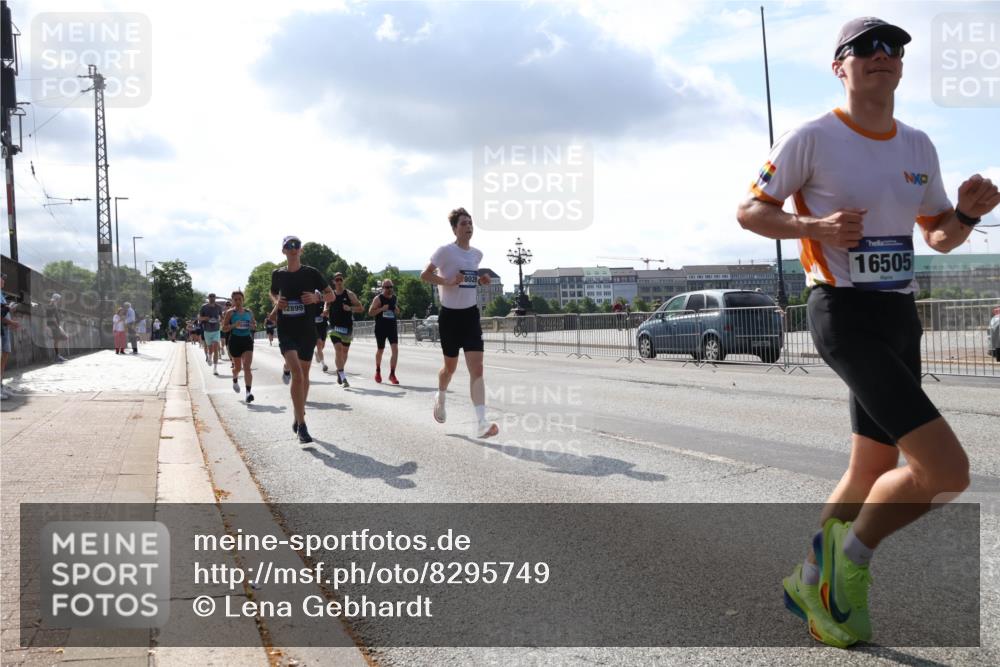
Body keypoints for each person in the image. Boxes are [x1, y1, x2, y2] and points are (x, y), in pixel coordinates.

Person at [736, 17, 999, 648]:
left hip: (899, 315)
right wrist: (816, 229)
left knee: (871, 467)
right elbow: (749, 210)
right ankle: (845, 567)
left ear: (902, 69)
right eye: (866, 47)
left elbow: (936, 235)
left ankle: (807, 577)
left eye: (894, 48)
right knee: (945, 471)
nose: (883, 55)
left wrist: (964, 213)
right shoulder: (813, 137)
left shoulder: (917, 145)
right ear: (840, 66)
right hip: (843, 312)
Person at [420, 207, 499, 438]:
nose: (468, 226)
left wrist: (481, 281)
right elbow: (425, 275)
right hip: (450, 317)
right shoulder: (445, 251)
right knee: (450, 369)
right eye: (463, 223)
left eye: (470, 222)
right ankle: (441, 395)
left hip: (470, 316)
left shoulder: (477, 254)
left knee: (478, 368)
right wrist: (447, 281)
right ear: (455, 229)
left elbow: (469, 281)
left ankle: (481, 422)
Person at [270, 235, 334, 443]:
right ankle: (303, 426)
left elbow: (330, 295)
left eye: (296, 245)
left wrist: (317, 298)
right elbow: (272, 293)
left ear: (301, 250)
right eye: (289, 246)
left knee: (304, 376)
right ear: (283, 251)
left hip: (307, 330)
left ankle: (298, 417)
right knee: (296, 373)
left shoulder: (311, 273)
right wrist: (277, 301)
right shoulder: (278, 274)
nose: (293, 248)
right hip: (286, 328)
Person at [327, 272, 363, 388]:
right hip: (334, 327)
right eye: (337, 280)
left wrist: (350, 308)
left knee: (345, 352)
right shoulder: (331, 294)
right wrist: (325, 310)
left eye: (340, 279)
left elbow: (361, 308)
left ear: (343, 280)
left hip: (347, 327)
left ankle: (339, 370)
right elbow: (326, 305)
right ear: (333, 282)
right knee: (338, 349)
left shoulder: (350, 294)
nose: (339, 282)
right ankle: (342, 375)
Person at [223, 290, 256, 403]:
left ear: (243, 300)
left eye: (239, 299)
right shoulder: (230, 313)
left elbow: (254, 325)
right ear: (232, 300)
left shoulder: (248, 312)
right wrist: (234, 325)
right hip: (235, 341)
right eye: (235, 299)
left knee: (247, 367)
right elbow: (224, 328)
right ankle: (235, 378)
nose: (237, 301)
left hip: (247, 340)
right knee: (238, 368)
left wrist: (251, 325)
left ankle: (248, 393)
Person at [369, 279, 400, 384]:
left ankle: (392, 374)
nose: (389, 289)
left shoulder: (394, 298)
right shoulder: (378, 299)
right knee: (380, 350)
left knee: (395, 350)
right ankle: (378, 371)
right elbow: (370, 312)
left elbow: (396, 310)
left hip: (392, 327)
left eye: (391, 287)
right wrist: (381, 309)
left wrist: (396, 310)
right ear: (382, 288)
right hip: (381, 328)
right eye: (387, 287)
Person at [1, 273, 22, 400]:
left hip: (4, 329)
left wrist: (9, 309)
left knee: (4, 356)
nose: (3, 280)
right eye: (1, 278)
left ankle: (1, 386)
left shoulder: (2, 294)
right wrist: (11, 322)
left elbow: (3, 311)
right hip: (2, 328)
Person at [200, 293, 225, 374]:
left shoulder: (219, 307)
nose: (212, 298)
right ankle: (209, 357)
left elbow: (222, 318)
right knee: (210, 348)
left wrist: (220, 320)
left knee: (215, 347)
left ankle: (215, 369)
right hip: (207, 330)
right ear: (208, 298)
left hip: (216, 330)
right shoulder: (204, 307)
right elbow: (200, 318)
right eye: (210, 297)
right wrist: (206, 318)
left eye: (213, 297)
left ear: (215, 298)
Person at [45, 293, 68, 362]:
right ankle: (57, 356)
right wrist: (57, 325)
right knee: (59, 339)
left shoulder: (53, 305)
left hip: (55, 325)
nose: (59, 301)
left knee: (60, 339)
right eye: (58, 299)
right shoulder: (52, 305)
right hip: (54, 325)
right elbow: (51, 317)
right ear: (56, 299)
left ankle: (58, 356)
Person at [314, 302, 330, 373]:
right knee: (319, 343)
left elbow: (328, 314)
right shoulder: (310, 305)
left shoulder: (324, 304)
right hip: (314, 328)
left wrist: (325, 313)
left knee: (322, 345)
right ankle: (324, 365)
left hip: (323, 327)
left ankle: (317, 353)